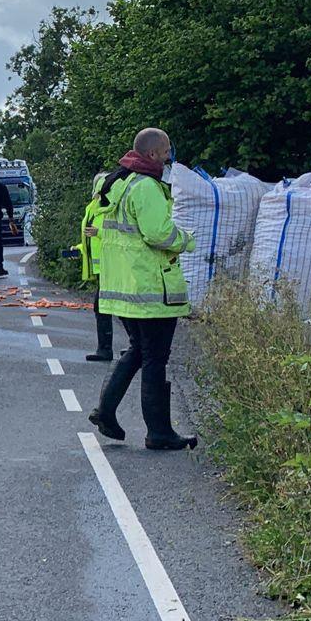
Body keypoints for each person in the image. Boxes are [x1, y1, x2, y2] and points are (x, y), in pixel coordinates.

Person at [89, 128, 198, 450]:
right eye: (166, 152)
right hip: (152, 287)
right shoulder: (147, 187)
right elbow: (158, 234)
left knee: (138, 350)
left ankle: (105, 411)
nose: (169, 157)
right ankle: (159, 432)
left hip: (124, 288)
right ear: (152, 154)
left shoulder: (119, 183)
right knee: (154, 359)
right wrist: (187, 240)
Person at [77, 167, 118, 362]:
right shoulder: (94, 206)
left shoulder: (110, 207)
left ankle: (107, 349)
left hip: (112, 265)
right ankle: (108, 348)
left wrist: (99, 233)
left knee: (105, 307)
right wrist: (78, 248)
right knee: (106, 307)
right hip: (102, 267)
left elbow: (118, 233)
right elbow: (89, 235)